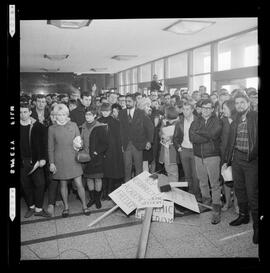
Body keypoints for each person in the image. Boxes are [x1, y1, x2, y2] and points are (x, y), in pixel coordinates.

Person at [222, 93, 258, 244]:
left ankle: (257, 227)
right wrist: (227, 161)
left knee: (253, 195)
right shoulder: (235, 119)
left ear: (248, 103)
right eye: (237, 103)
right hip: (237, 159)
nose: (239, 105)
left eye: (242, 102)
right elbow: (231, 141)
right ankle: (243, 216)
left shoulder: (255, 117)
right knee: (239, 190)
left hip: (252, 161)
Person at [48, 103, 91, 217]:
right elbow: (50, 148)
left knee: (79, 183)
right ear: (55, 115)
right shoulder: (52, 129)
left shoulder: (74, 125)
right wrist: (51, 163)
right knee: (63, 185)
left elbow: (79, 143)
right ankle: (66, 207)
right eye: (58, 114)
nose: (61, 117)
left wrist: (79, 144)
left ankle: (84, 206)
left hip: (73, 158)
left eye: (63, 114)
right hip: (59, 160)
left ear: (67, 114)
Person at [189, 99, 222, 224]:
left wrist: (200, 133)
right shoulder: (195, 121)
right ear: (200, 109)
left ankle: (216, 209)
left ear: (213, 109)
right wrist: (206, 136)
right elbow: (192, 137)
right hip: (198, 156)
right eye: (204, 108)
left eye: (209, 108)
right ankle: (206, 202)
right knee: (202, 181)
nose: (206, 110)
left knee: (214, 183)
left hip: (212, 156)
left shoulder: (217, 121)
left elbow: (213, 134)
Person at [20, 103, 50, 218]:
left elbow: (44, 144)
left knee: (40, 184)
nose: (23, 115)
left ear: (30, 112)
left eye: (25, 112)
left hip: (36, 161)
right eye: (20, 112)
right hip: (22, 162)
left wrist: (43, 158)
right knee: (26, 186)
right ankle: (31, 207)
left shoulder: (38, 126)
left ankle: (39, 208)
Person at [118, 93, 154, 182]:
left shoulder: (141, 113)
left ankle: (139, 186)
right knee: (127, 167)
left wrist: (149, 141)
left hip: (138, 144)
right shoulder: (121, 113)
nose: (127, 103)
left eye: (129, 101)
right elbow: (120, 130)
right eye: (126, 101)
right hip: (126, 144)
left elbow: (150, 127)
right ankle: (127, 186)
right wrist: (121, 144)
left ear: (134, 102)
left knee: (139, 167)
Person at [173, 100, 202, 202]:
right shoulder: (179, 122)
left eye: (187, 109)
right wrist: (178, 147)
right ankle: (190, 195)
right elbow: (175, 137)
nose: (185, 112)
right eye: (184, 109)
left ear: (192, 110)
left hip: (195, 151)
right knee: (187, 175)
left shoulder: (199, 121)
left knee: (196, 176)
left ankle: (197, 195)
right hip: (184, 151)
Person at [81, 106, 109, 209]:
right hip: (86, 156)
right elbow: (82, 139)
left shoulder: (100, 126)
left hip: (97, 157)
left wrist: (97, 152)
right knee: (89, 178)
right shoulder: (83, 126)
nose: (87, 117)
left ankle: (97, 199)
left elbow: (105, 143)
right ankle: (92, 198)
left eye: (89, 115)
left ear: (95, 116)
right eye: (86, 114)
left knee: (97, 178)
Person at [98, 103, 124, 198]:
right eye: (103, 111)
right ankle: (104, 191)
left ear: (110, 111)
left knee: (111, 172)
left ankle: (109, 191)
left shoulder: (116, 122)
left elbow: (119, 137)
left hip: (113, 150)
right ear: (101, 111)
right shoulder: (98, 121)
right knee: (103, 172)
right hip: (102, 150)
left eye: (107, 111)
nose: (105, 113)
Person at [220, 100, 238, 213]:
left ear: (231, 108)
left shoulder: (239, 120)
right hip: (224, 155)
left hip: (236, 155)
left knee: (237, 181)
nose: (222, 111)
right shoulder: (222, 121)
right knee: (226, 179)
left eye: (225, 108)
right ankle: (227, 202)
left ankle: (237, 204)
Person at [159, 106, 180, 183]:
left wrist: (170, 138)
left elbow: (178, 138)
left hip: (173, 152)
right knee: (168, 171)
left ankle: (174, 191)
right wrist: (163, 127)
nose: (164, 114)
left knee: (173, 173)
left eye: (165, 113)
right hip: (165, 150)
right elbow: (160, 134)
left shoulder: (178, 123)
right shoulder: (165, 123)